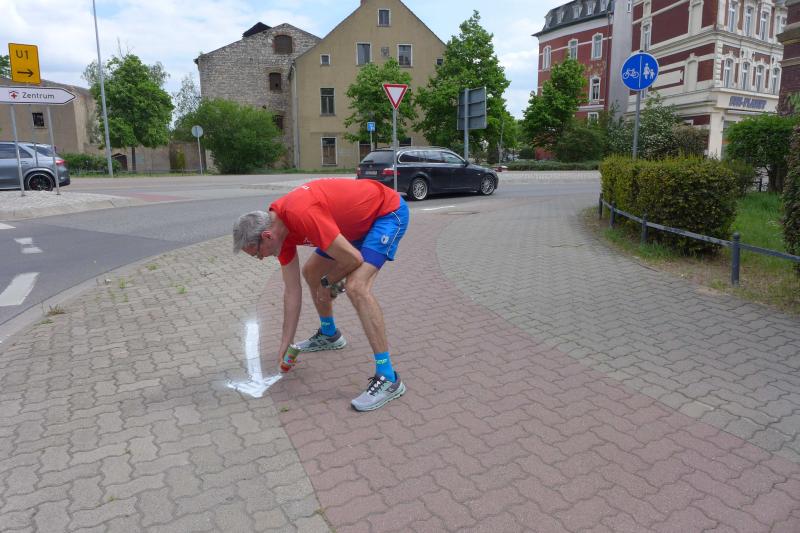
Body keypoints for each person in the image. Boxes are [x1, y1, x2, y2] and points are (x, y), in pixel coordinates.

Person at [232, 178, 410, 411]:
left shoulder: (301, 213)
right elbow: (292, 291)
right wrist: (285, 343)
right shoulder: (280, 234)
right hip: (352, 227)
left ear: (267, 236)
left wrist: (328, 283)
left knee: (356, 286)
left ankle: (388, 377)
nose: (261, 258)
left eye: (257, 254)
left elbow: (353, 259)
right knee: (311, 272)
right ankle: (329, 334)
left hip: (385, 213)